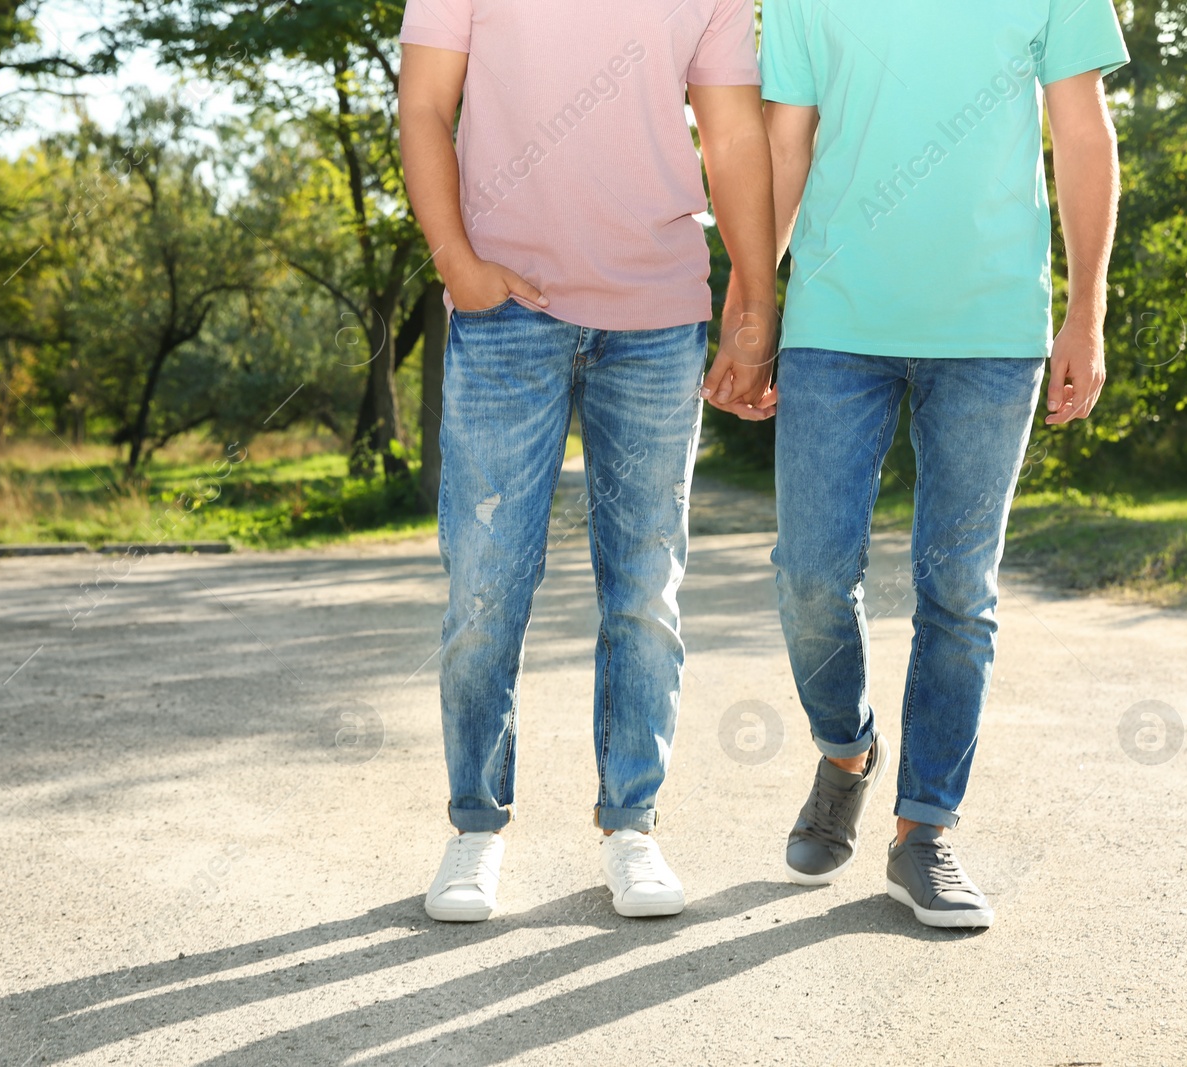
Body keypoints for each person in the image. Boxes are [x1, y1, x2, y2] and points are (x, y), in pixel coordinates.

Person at [398, 0, 777, 922]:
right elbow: (422, 108)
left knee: (646, 590)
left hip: (657, 318)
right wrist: (457, 265)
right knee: (485, 587)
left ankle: (633, 825)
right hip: (503, 316)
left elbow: (732, 136)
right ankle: (476, 828)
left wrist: (754, 300)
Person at [759, 0, 1128, 927]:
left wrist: (1087, 312)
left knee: (959, 589)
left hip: (990, 326)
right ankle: (846, 750)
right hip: (835, 318)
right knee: (809, 574)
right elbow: (785, 144)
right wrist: (751, 299)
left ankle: (923, 828)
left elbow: (1082, 133)